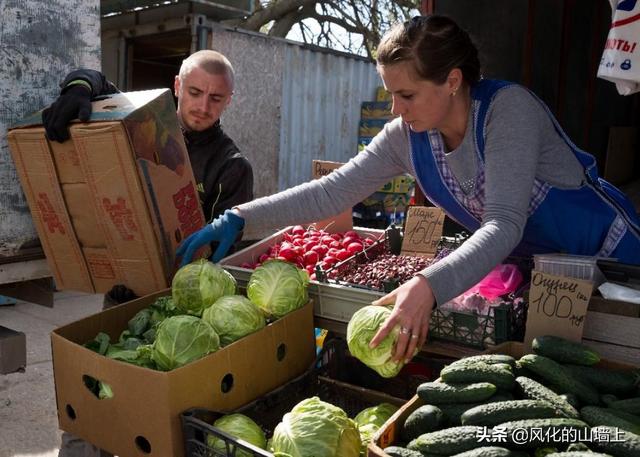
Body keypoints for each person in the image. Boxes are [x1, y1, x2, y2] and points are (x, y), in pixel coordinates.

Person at [178, 14, 640, 363]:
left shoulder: (507, 112)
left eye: (407, 94)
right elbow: (333, 192)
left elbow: (503, 223)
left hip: (612, 268)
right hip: (540, 276)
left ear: (453, 80)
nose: (396, 110)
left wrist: (427, 284)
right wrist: (239, 217)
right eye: (390, 94)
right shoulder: (408, 136)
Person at [43, 50, 253, 457]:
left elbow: (223, 266)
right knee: (92, 411)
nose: (202, 105)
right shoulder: (142, 124)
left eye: (215, 98)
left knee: (148, 427)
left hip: (176, 321)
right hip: (119, 298)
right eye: (194, 92)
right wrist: (78, 87)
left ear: (229, 100)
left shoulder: (232, 166)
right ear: (177, 86)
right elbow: (99, 83)